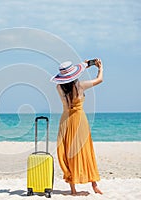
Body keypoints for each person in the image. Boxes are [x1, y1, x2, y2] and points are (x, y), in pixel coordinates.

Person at [50, 59, 104, 195]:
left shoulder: (58, 87)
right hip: (79, 120)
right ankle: (94, 185)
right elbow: (99, 80)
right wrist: (99, 68)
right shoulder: (80, 86)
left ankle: (73, 189)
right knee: (86, 150)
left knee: (68, 152)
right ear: (75, 76)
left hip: (66, 121)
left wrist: (86, 64)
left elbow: (72, 75)